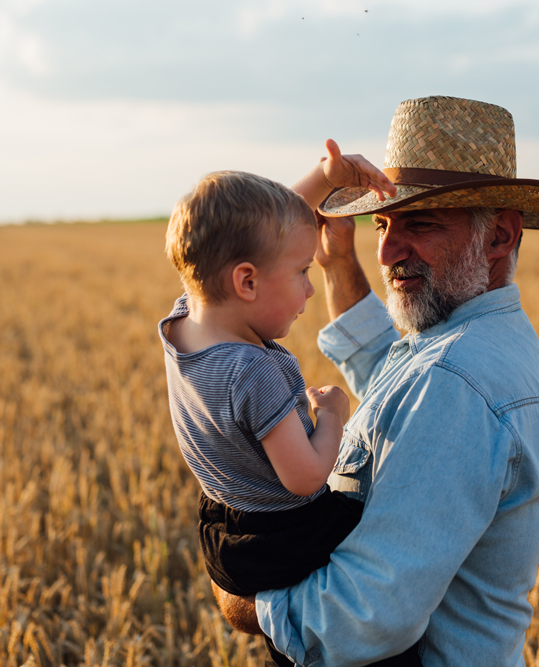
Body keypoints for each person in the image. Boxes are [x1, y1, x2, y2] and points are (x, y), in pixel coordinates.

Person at [213, 95, 539, 666]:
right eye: (382, 223)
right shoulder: (467, 340)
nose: (385, 250)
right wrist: (336, 262)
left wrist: (245, 599)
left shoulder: (457, 380)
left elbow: (367, 615)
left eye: (420, 224)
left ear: (499, 237)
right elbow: (389, 370)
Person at [158, 146, 401, 664]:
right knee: (392, 524)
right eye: (302, 273)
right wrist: (332, 414)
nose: (310, 291)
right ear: (246, 281)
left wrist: (325, 177)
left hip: (226, 524)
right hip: (284, 538)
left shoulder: (185, 323)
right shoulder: (254, 372)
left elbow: (263, 233)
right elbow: (308, 476)